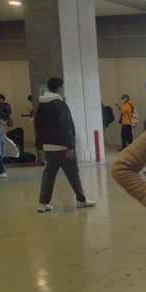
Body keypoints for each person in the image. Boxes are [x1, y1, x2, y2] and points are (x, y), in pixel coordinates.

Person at [34, 77, 96, 213]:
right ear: (60, 88)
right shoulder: (60, 105)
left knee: (49, 174)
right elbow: (65, 126)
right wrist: (70, 146)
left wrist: (42, 143)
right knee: (72, 173)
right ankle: (81, 200)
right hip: (62, 146)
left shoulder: (42, 104)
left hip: (48, 146)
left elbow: (37, 125)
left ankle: (43, 203)